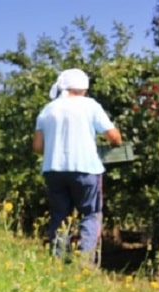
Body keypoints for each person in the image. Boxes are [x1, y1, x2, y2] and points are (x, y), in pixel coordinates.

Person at [33, 68, 122, 263]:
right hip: (86, 168)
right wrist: (114, 144)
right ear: (84, 88)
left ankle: (58, 260)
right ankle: (84, 261)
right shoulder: (90, 106)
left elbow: (38, 147)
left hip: (53, 169)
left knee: (59, 215)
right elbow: (114, 137)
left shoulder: (48, 109)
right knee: (90, 214)